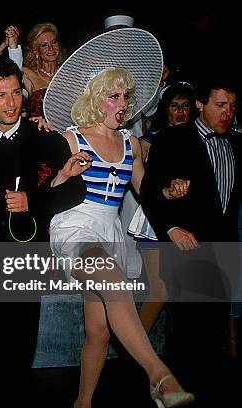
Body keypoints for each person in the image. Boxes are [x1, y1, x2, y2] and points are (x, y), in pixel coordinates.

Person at [43, 27, 194, 407]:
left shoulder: (130, 142)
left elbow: (146, 192)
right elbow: (45, 196)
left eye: (125, 95)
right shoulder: (70, 139)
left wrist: (170, 216)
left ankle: (83, 402)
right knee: (115, 285)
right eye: (114, 96)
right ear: (96, 99)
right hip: (76, 225)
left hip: (110, 229)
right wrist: (64, 175)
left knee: (99, 332)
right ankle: (160, 376)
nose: (122, 102)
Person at [0, 54, 84, 406]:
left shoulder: (46, 139)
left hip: (28, 250)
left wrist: (33, 201)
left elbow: (75, 189)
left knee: (23, 337)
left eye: (16, 93)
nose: (11, 103)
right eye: (1, 95)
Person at [141, 75, 239, 405]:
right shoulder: (173, 139)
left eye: (233, 106)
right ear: (201, 104)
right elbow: (149, 193)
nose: (228, 112)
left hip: (225, 249)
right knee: (187, 338)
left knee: (214, 338)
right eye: (220, 105)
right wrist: (170, 228)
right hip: (188, 247)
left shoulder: (236, 143)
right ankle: (176, 393)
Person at [128, 81, 196, 333]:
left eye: (185, 105)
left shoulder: (196, 138)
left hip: (187, 220)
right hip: (154, 218)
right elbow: (141, 182)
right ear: (165, 109)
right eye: (174, 105)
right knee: (161, 290)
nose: (180, 111)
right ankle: (134, 350)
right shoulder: (149, 141)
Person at [22, 22, 65, 119]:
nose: (51, 48)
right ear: (35, 51)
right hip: (39, 132)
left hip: (66, 131)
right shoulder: (27, 73)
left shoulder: (68, 73)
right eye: (44, 45)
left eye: (54, 42)